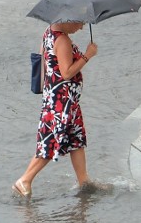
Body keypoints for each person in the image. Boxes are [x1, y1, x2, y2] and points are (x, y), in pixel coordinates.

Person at [13, 21, 98, 197]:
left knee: (76, 139)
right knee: (51, 140)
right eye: (79, 23)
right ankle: (25, 180)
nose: (81, 27)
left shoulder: (49, 32)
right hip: (62, 101)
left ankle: (83, 181)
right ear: (68, 19)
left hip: (59, 98)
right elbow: (67, 72)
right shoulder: (62, 40)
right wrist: (87, 55)